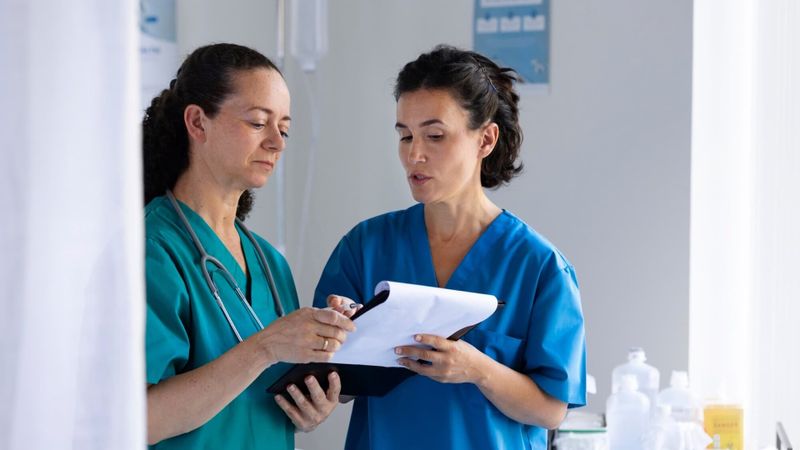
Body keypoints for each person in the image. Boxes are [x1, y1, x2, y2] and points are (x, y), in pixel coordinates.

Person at [313, 45, 586, 449]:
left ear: (486, 139)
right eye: (405, 136)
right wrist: (343, 338)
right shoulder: (364, 247)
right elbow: (336, 387)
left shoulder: (539, 266)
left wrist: (476, 368)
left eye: (435, 135)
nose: (414, 154)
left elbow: (551, 408)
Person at [142, 43, 354, 449]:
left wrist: (313, 400)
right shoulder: (153, 250)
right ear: (197, 123)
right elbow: (140, 421)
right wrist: (266, 346)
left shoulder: (269, 263)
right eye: (259, 123)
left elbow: (263, 398)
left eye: (285, 128)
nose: (277, 142)